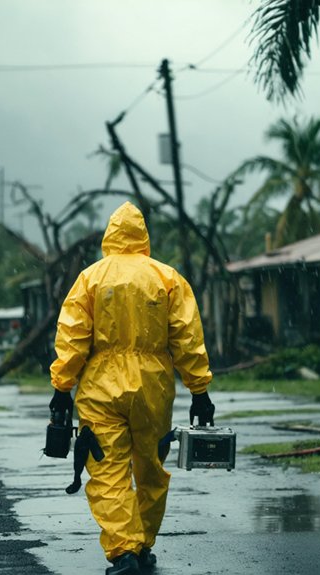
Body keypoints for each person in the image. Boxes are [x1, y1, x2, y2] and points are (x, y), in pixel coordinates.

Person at [49, 201, 215, 575]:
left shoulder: (90, 278)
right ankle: (141, 545)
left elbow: (72, 335)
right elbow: (187, 338)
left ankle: (125, 549)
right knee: (150, 469)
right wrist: (200, 391)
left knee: (107, 470)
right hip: (153, 386)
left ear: (109, 235)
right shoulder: (167, 278)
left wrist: (62, 386)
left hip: (101, 387)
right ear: (143, 236)